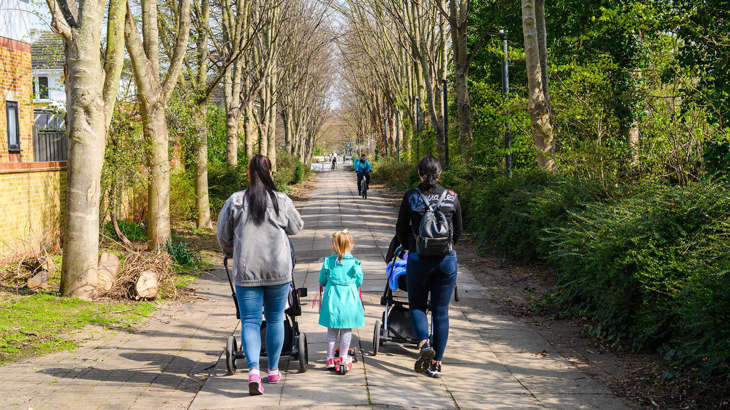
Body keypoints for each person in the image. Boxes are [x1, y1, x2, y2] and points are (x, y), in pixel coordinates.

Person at [217, 154, 304, 395]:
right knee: (276, 319)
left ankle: (254, 371)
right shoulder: (281, 200)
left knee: (250, 321)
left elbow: (223, 235)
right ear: (270, 173)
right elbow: (296, 227)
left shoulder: (235, 201)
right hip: (278, 271)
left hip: (247, 271)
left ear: (248, 174)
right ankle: (273, 370)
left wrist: (230, 250)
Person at [394, 155, 462, 378]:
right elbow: (459, 231)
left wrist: (410, 247)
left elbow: (401, 229)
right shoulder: (452, 197)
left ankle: (424, 343)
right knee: (441, 312)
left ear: (419, 174)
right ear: (440, 174)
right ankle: (437, 364)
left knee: (417, 306)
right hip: (445, 261)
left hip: (418, 260)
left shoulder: (412, 196)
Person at [318, 230, 364, 374]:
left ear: (334, 246)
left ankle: (330, 358)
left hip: (332, 300)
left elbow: (322, 281)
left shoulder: (328, 262)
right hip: (349, 301)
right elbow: (359, 281)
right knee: (346, 330)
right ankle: (343, 356)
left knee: (332, 331)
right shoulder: (355, 264)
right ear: (350, 245)